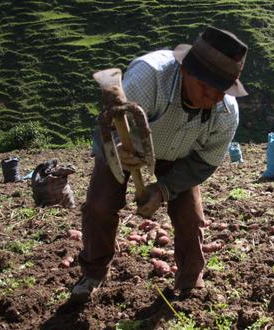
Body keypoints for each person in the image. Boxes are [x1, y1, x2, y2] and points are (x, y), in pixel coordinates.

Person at [71, 26, 248, 302]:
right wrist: (119, 149)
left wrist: (163, 190)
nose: (212, 98)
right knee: (100, 205)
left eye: (221, 90)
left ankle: (190, 282)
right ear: (186, 71)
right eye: (206, 87)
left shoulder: (226, 112)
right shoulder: (149, 76)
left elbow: (203, 163)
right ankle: (93, 272)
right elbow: (112, 125)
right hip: (130, 143)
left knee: (191, 216)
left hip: (180, 155)